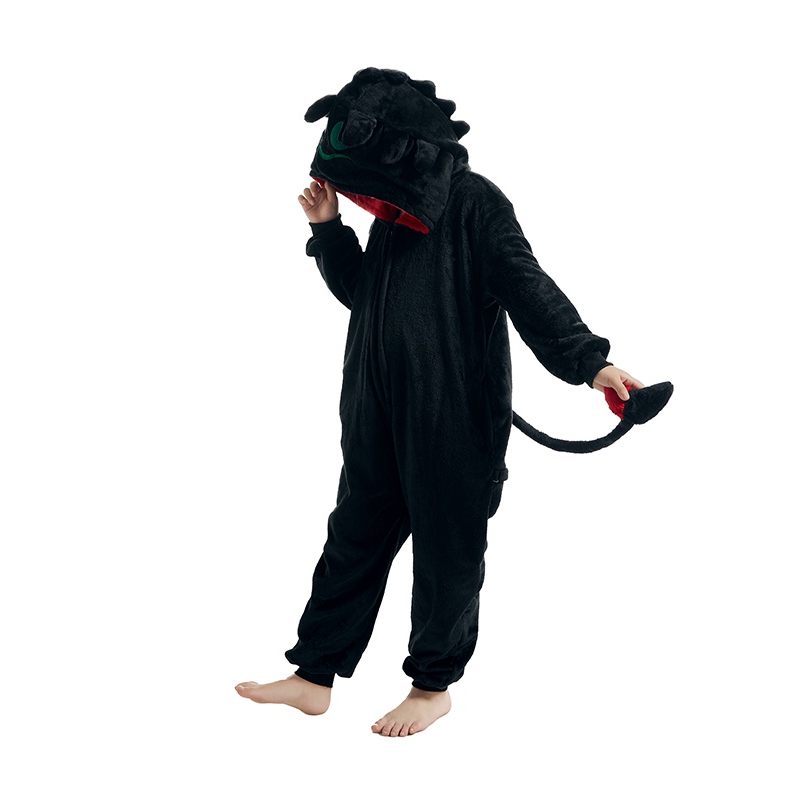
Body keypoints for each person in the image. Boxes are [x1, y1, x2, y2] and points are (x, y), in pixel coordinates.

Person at [235, 68, 643, 737]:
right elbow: (365, 297)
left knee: (446, 551)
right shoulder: (397, 217)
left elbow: (528, 286)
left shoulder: (474, 203)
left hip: (452, 418)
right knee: (353, 537)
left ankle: (431, 687)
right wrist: (330, 231)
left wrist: (588, 362)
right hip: (374, 412)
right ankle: (314, 675)